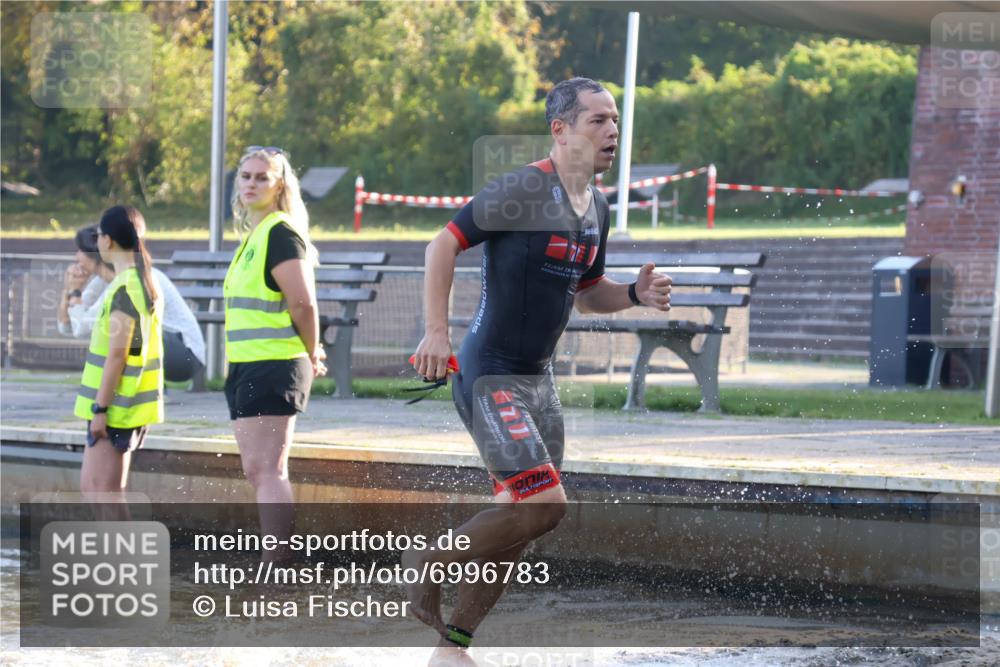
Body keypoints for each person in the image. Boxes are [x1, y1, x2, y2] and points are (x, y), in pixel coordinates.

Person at [408, 77, 673, 665]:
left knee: (521, 518)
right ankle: (428, 561)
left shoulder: (597, 206)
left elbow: (588, 294)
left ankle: (453, 647)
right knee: (545, 505)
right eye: (597, 120)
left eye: (614, 120)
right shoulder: (525, 188)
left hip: (539, 383)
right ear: (561, 130)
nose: (612, 131)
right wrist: (435, 331)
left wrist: (634, 293)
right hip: (490, 374)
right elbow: (442, 245)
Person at [224, 145, 326, 563]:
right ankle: (275, 563)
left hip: (274, 365)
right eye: (246, 176)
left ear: (280, 184)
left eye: (261, 177)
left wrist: (312, 351)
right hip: (248, 364)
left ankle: (277, 567)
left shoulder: (280, 233)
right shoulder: (255, 235)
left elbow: (303, 303)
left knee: (267, 470)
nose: (251, 183)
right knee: (257, 469)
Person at [74, 206, 163, 500]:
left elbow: (118, 355)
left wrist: (100, 410)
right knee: (96, 491)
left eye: (99, 235)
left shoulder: (127, 288)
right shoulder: (135, 282)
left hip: (115, 408)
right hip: (119, 405)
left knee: (104, 494)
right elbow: (132, 350)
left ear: (108, 240)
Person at [58, 224, 206, 383]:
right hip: (166, 349)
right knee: (114, 327)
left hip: (185, 356)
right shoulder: (104, 281)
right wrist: (68, 290)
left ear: (94, 253)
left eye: (80, 250)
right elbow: (68, 327)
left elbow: (81, 328)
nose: (76, 256)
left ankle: (122, 389)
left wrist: (76, 292)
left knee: (118, 327)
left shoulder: (130, 280)